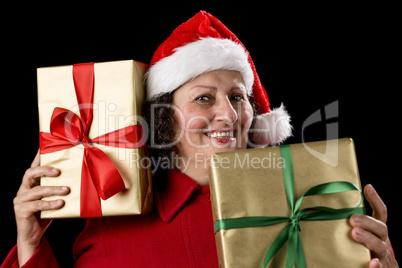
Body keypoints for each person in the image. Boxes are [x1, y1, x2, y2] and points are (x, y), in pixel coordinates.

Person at [2, 11, 398, 268]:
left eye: (238, 97)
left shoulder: (315, 207)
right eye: (204, 98)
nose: (227, 114)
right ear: (164, 121)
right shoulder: (111, 233)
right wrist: (30, 241)